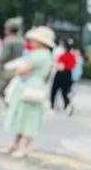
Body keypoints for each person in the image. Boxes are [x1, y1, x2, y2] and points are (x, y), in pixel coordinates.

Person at [4, 26, 56, 158]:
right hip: (35, 84)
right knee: (26, 115)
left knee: (28, 116)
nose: (31, 42)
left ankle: (23, 147)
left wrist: (19, 70)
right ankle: (18, 144)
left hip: (31, 85)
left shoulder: (39, 55)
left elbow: (22, 70)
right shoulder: (45, 54)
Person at [0, 19, 25, 122]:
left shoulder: (8, 41)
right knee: (9, 93)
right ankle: (14, 113)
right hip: (17, 69)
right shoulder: (22, 41)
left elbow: (4, 57)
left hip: (5, 69)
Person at [50, 38, 77, 114]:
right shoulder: (73, 56)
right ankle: (66, 106)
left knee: (54, 90)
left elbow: (60, 67)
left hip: (60, 74)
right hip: (68, 74)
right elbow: (73, 65)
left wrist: (53, 65)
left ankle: (52, 106)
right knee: (65, 92)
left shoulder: (62, 56)